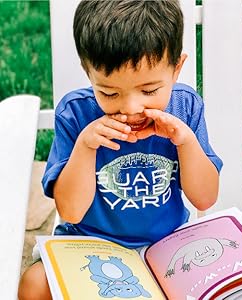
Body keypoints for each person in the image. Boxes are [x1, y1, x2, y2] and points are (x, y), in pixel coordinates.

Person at [18, 0, 222, 298]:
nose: (131, 108)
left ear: (177, 68)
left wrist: (186, 141)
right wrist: (86, 147)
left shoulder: (184, 107)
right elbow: (71, 212)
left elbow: (205, 198)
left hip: (164, 248)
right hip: (90, 246)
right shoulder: (75, 114)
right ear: (88, 73)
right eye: (109, 93)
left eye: (149, 91)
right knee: (34, 284)